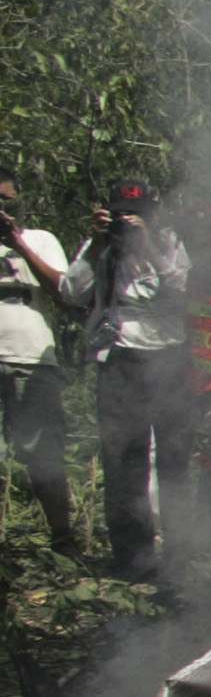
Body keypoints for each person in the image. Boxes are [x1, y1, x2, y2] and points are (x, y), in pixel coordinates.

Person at [59, 178, 192, 578]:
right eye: (121, 213)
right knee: (122, 459)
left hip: (168, 355)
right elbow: (70, 292)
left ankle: (180, 555)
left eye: (137, 214)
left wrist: (148, 243)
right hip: (118, 357)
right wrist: (99, 243)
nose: (129, 220)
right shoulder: (100, 245)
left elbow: (183, 289)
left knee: (173, 458)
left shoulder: (169, 241)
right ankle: (133, 558)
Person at [0, 170, 81, 557]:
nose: (1, 207)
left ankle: (63, 539)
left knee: (43, 453)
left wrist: (16, 242)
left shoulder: (40, 240)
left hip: (30, 358)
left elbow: (66, 296)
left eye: (7, 199)